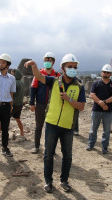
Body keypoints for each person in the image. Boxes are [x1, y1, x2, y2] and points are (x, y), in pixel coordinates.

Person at [25, 54, 86, 193]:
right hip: (52, 124)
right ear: (63, 67)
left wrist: (69, 99)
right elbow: (39, 77)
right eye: (69, 66)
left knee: (67, 156)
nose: (72, 69)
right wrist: (34, 66)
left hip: (67, 127)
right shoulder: (54, 81)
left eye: (74, 67)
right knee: (48, 154)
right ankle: (48, 182)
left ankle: (64, 181)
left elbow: (81, 106)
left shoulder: (79, 86)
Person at [29, 52, 60, 154]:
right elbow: (33, 89)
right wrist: (32, 103)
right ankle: (36, 146)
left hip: (53, 105)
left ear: (53, 62)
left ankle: (51, 148)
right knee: (39, 126)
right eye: (46, 60)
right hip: (41, 104)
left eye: (50, 60)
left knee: (52, 127)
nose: (47, 62)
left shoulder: (57, 75)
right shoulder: (39, 73)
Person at [86, 64, 112, 154]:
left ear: (110, 74)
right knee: (93, 129)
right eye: (104, 72)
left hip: (108, 111)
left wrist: (104, 102)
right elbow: (92, 94)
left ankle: (104, 147)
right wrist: (101, 103)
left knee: (106, 131)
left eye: (108, 72)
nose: (106, 73)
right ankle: (91, 144)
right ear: (101, 72)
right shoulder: (96, 83)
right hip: (96, 110)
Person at [0, 69, 25, 140]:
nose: (11, 74)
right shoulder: (22, 83)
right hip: (19, 104)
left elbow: (11, 94)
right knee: (18, 119)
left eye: (12, 73)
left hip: (13, 105)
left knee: (4, 119)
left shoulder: (15, 83)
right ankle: (22, 133)